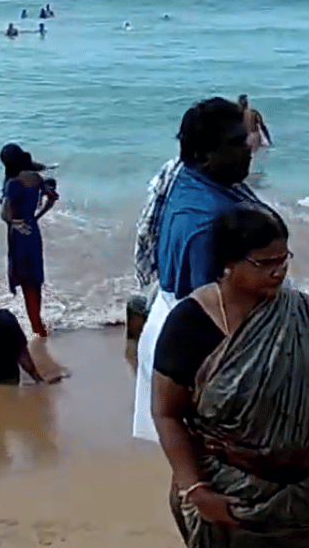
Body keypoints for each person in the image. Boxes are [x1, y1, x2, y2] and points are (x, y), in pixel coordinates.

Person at [152, 203, 309, 546]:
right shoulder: (191, 324)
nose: (278, 272)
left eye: (284, 259)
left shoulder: (300, 311)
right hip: (229, 496)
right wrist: (197, 490)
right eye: (265, 263)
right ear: (228, 264)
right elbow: (166, 412)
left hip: (298, 495)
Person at [133, 97, 263, 441]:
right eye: (237, 143)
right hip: (195, 353)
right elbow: (212, 317)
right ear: (205, 155)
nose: (249, 149)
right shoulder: (210, 223)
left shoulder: (185, 178)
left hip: (173, 324)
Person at [0, 143, 58, 337]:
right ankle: (37, 321)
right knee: (35, 280)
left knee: (25, 282)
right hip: (33, 230)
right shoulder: (36, 178)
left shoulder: (13, 183)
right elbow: (52, 198)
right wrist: (37, 217)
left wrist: (13, 223)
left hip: (19, 234)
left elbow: (4, 213)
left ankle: (36, 325)